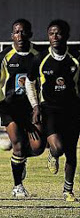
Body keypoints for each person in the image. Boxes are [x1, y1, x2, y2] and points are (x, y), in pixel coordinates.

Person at [0, 19, 44, 198]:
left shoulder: (38, 55)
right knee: (17, 143)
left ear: (30, 34)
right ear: (12, 35)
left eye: (24, 32)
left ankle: (21, 160)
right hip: (9, 107)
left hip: (31, 107)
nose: (20, 35)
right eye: (17, 32)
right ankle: (18, 186)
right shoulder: (4, 57)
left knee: (38, 147)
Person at [25, 19, 80, 202]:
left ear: (66, 36)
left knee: (71, 152)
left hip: (72, 110)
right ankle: (53, 154)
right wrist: (35, 106)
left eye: (58, 33)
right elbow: (29, 82)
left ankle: (68, 191)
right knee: (58, 147)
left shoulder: (75, 59)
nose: (55, 37)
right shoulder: (40, 59)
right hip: (49, 109)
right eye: (51, 33)